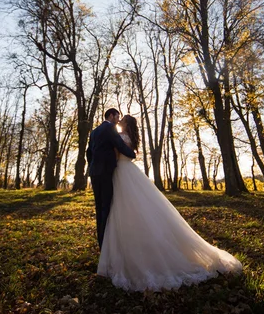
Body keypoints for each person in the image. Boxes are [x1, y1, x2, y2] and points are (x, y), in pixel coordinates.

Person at [97, 115, 243, 291]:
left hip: (121, 173)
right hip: (128, 172)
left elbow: (115, 154)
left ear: (127, 124)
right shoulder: (128, 137)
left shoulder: (120, 137)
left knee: (124, 209)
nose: (119, 121)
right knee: (135, 209)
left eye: (122, 120)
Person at [86, 108, 136, 249]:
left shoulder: (94, 132)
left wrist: (92, 166)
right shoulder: (109, 128)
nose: (118, 120)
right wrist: (132, 154)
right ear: (111, 115)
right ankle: (105, 244)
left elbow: (88, 152)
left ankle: (101, 241)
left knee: (99, 206)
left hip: (95, 172)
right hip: (106, 172)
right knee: (106, 207)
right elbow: (120, 145)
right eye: (117, 116)